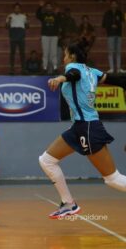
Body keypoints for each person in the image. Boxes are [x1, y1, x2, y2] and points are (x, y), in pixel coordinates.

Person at [40, 40, 126, 219]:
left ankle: (69, 204)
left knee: (112, 179)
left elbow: (72, 75)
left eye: (65, 54)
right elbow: (115, 80)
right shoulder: (92, 71)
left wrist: (60, 78)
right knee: (47, 160)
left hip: (87, 127)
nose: (63, 58)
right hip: (78, 127)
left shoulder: (74, 69)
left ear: (72, 56)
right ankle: (69, 204)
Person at [36, 1, 60, 74]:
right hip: (45, 36)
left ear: (52, 8)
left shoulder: (55, 15)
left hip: (54, 36)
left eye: (50, 6)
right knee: (45, 53)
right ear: (45, 8)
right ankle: (44, 68)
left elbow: (59, 23)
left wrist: (58, 12)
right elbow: (37, 15)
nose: (49, 7)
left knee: (54, 53)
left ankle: (55, 68)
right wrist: (40, 6)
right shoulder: (43, 15)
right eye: (47, 6)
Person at [102, 0, 124, 73]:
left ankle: (118, 68)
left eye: (115, 4)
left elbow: (123, 22)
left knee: (118, 51)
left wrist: (117, 25)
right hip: (110, 34)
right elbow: (104, 24)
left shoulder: (119, 13)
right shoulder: (107, 13)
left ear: (117, 5)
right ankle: (111, 68)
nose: (114, 5)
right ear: (110, 5)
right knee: (111, 51)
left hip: (118, 34)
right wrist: (111, 26)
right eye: (112, 4)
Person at [6, 3, 29, 74]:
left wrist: (27, 19)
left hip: (21, 34)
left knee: (22, 53)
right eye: (15, 8)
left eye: (18, 8)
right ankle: (11, 69)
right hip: (13, 34)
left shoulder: (23, 16)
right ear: (13, 9)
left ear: (20, 9)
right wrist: (9, 20)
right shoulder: (10, 16)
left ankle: (23, 69)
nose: (17, 9)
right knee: (12, 53)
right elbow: (6, 26)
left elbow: (27, 26)